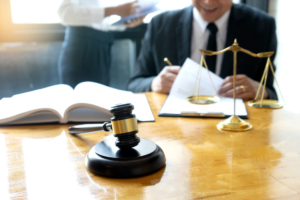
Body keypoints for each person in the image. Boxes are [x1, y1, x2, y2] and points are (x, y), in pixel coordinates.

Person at [127, 0, 278, 100]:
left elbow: (271, 93)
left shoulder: (262, 26)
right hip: (176, 126)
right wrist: (155, 83)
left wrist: (261, 91)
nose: (208, 2)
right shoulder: (161, 24)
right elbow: (134, 84)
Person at [57, 0, 143, 88]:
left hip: (102, 43)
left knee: (100, 97)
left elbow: (101, 24)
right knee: (77, 96)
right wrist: (113, 10)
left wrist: (126, 23)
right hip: (81, 47)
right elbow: (65, 13)